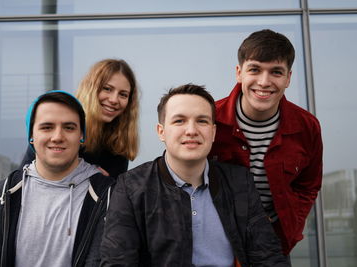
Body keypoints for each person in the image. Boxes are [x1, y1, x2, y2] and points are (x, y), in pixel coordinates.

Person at [100, 84, 289, 266]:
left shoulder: (239, 182)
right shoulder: (130, 187)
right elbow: (117, 261)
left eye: (202, 121)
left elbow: (268, 256)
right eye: (179, 121)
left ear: (213, 132)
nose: (191, 131)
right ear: (161, 132)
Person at [209, 29, 323, 255]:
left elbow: (308, 185)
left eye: (276, 72)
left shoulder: (307, 127)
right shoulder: (209, 118)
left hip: (274, 243)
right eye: (255, 69)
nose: (264, 82)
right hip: (215, 242)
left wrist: (291, 226)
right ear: (239, 73)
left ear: (288, 78)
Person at [0, 91, 115, 267]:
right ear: (31, 136)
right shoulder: (4, 194)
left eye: (69, 127)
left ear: (81, 136)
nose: (57, 137)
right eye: (47, 127)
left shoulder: (106, 195)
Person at [20, 59, 139, 178]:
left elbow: (114, 193)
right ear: (90, 89)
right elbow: (23, 181)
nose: (114, 100)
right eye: (107, 89)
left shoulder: (119, 144)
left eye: (123, 94)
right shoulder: (56, 129)